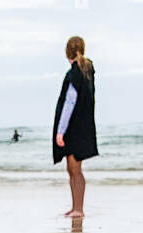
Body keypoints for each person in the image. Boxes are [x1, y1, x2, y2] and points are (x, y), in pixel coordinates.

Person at [53, 35, 98, 220]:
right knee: (73, 169)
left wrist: (60, 131)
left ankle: (78, 209)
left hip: (74, 128)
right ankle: (75, 208)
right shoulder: (87, 71)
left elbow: (69, 103)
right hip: (85, 126)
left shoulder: (75, 73)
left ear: (67, 52)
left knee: (75, 169)